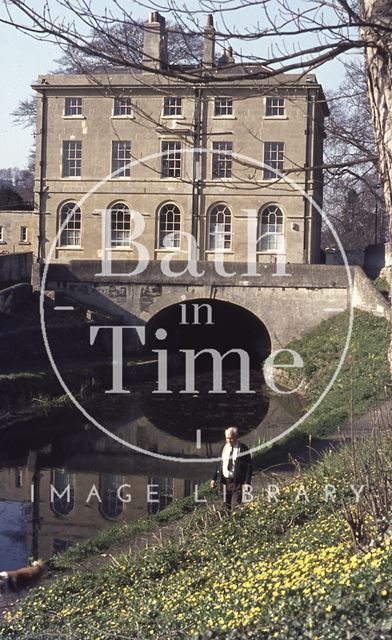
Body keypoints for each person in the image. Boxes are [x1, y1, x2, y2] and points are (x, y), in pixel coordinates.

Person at [210, 426, 252, 510]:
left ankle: (236, 520)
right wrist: (213, 479)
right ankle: (228, 521)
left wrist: (247, 482)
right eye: (227, 438)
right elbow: (218, 463)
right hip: (224, 482)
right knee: (226, 506)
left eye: (231, 438)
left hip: (237, 482)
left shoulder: (243, 448)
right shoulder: (223, 448)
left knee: (236, 506)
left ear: (236, 437)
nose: (229, 441)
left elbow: (248, 466)